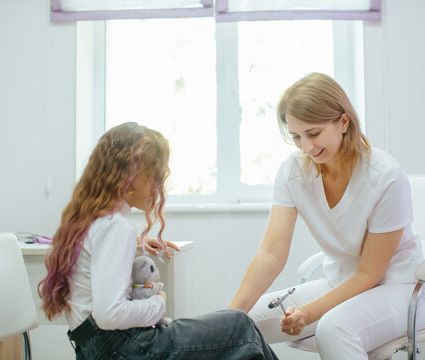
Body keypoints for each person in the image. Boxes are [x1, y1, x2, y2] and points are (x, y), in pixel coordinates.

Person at [228, 73, 425, 359]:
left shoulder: (385, 176)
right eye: (296, 136)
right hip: (339, 283)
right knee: (242, 327)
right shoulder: (293, 171)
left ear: (343, 122)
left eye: (313, 134)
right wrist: (227, 318)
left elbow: (369, 274)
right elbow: (271, 252)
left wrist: (308, 312)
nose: (306, 147)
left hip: (402, 289)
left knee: (334, 328)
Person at [39, 122, 278, 360]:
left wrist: (136, 242)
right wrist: (158, 304)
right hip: (123, 347)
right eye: (155, 175)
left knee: (238, 330)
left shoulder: (91, 220)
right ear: (129, 176)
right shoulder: (116, 227)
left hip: (93, 348)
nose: (160, 184)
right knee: (239, 326)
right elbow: (110, 315)